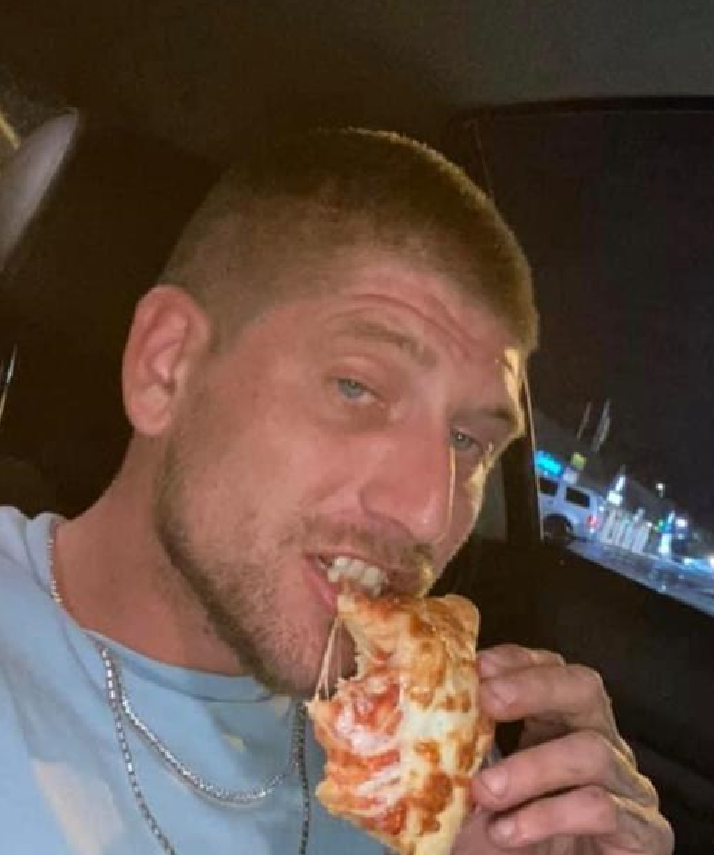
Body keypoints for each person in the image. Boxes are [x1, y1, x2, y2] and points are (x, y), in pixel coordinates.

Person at [0, 128, 673, 855]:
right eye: (357, 387)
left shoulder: (433, 770)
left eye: (467, 441)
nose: (429, 514)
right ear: (168, 367)